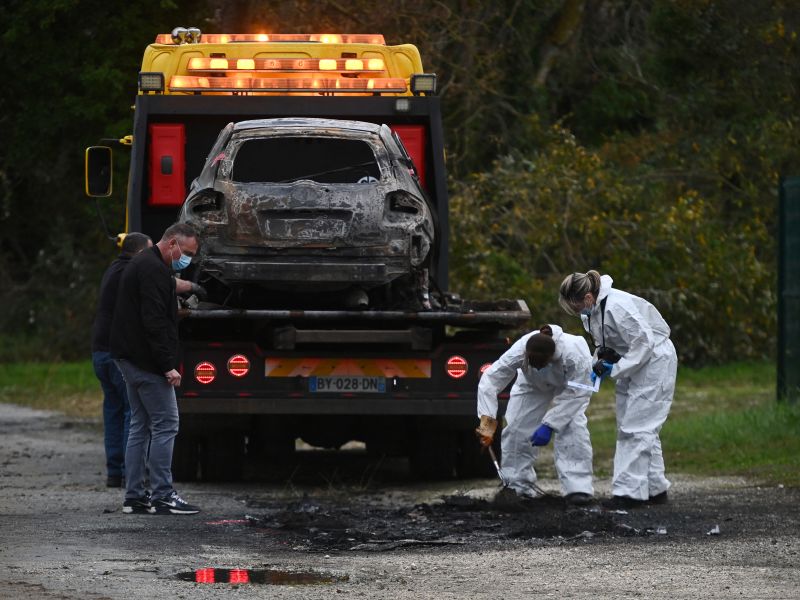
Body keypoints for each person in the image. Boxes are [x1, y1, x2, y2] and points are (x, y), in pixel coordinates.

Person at [558, 270, 677, 509]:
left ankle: (628, 494)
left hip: (653, 361)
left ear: (589, 297)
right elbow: (606, 342)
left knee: (638, 426)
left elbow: (644, 343)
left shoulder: (617, 307)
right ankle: (655, 489)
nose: (577, 312)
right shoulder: (593, 311)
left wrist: (616, 368)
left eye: (578, 306)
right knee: (630, 425)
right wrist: (599, 361)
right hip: (632, 362)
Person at [110, 222, 201, 515]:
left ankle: (134, 496)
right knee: (166, 424)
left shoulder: (143, 265)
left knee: (140, 426)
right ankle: (163, 494)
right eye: (185, 252)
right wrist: (167, 366)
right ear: (172, 243)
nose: (186, 259)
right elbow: (153, 322)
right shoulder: (153, 269)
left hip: (129, 357)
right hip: (146, 361)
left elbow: (151, 313)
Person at [476, 324, 595, 507]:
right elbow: (490, 380)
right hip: (532, 386)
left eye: (542, 365)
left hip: (569, 388)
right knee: (516, 429)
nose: (538, 368)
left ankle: (578, 489)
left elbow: (579, 393)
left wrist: (549, 424)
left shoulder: (575, 353)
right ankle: (518, 486)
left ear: (551, 358)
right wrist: (487, 425)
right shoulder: (520, 349)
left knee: (572, 428)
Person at [91, 233, 153, 488]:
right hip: (117, 353)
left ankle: (114, 472)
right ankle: (133, 473)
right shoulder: (131, 273)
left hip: (100, 351)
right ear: (139, 252)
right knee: (133, 412)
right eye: (149, 251)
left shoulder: (113, 269)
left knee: (114, 411)